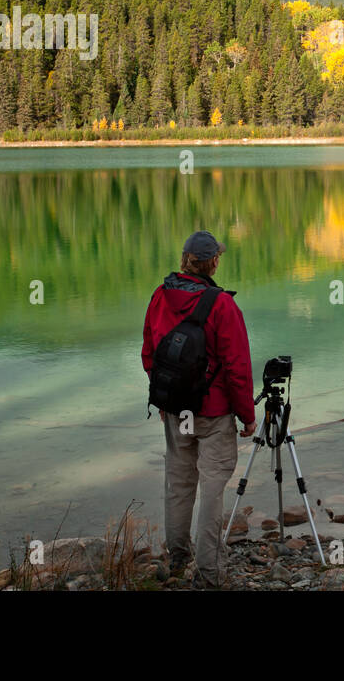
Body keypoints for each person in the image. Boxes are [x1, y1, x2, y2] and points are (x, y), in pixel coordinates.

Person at [141, 231, 256, 589]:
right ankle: (209, 572)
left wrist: (165, 398)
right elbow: (237, 368)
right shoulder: (222, 305)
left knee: (178, 484)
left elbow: (150, 352)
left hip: (176, 411)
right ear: (214, 262)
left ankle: (178, 558)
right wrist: (248, 415)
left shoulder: (160, 296)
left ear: (184, 258)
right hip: (214, 412)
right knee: (212, 488)